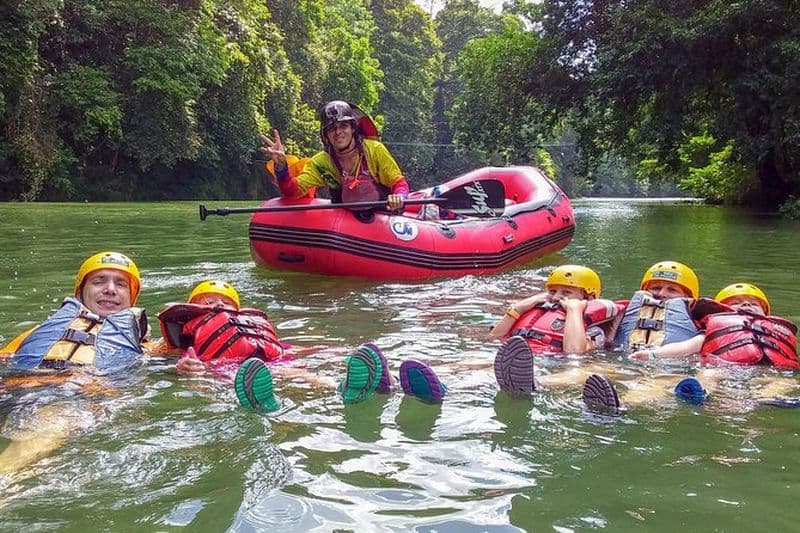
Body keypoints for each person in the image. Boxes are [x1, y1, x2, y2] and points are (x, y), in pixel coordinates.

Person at [0, 251, 147, 472]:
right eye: (99, 281)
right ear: (80, 293)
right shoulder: (42, 333)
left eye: (121, 284)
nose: (110, 289)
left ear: (132, 297)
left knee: (32, 442)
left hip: (72, 398)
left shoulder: (143, 346)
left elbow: (181, 363)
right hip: (14, 389)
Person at [489, 265, 625, 395]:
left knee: (583, 373)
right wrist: (518, 308)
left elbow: (574, 352)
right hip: (519, 360)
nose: (555, 298)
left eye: (566, 292)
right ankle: (509, 379)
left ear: (589, 298)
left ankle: (531, 384)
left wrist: (574, 309)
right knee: (472, 361)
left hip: (553, 366)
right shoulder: (537, 309)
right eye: (552, 291)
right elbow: (495, 336)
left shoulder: (594, 328)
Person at [260, 100, 409, 211]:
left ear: (353, 129)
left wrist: (399, 198)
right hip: (343, 221)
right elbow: (292, 192)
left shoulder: (374, 150)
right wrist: (281, 166)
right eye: (332, 128)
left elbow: (399, 184)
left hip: (382, 213)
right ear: (326, 135)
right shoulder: (320, 162)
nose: (338, 132)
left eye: (343, 126)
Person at [155, 280, 286, 376]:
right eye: (209, 302)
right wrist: (184, 365)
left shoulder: (251, 326)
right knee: (199, 381)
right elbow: (162, 354)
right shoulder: (190, 332)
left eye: (227, 303)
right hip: (217, 368)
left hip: (269, 363)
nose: (219, 304)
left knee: (298, 373)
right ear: (194, 310)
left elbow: (287, 349)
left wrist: (306, 350)